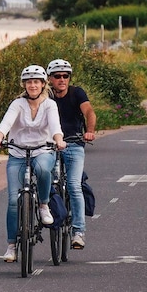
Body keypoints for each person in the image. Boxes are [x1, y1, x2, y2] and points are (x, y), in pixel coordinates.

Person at [0, 65, 65, 262]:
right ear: (24, 84)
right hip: (18, 152)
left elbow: (55, 126)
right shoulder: (18, 103)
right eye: (29, 82)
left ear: (43, 84)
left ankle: (43, 205)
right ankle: (11, 246)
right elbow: (6, 122)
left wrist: (58, 140)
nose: (32, 85)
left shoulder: (50, 105)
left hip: (43, 149)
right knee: (13, 201)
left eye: (36, 82)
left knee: (42, 169)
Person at [46, 58, 97, 250]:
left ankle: (78, 231)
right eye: (57, 76)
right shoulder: (45, 95)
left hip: (74, 143)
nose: (62, 79)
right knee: (46, 181)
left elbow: (89, 112)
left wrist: (89, 130)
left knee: (74, 186)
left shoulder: (77, 93)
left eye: (65, 76)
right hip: (49, 145)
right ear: (49, 78)